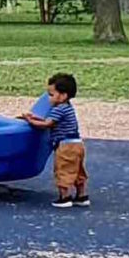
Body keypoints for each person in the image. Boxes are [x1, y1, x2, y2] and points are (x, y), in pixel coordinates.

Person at [21, 71, 85, 208]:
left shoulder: (59, 109)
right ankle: (81, 196)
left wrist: (29, 121)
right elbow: (49, 120)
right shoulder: (67, 108)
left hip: (65, 145)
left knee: (63, 170)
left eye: (51, 94)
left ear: (63, 96)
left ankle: (65, 197)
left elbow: (46, 124)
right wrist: (33, 117)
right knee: (78, 170)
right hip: (77, 144)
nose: (49, 98)